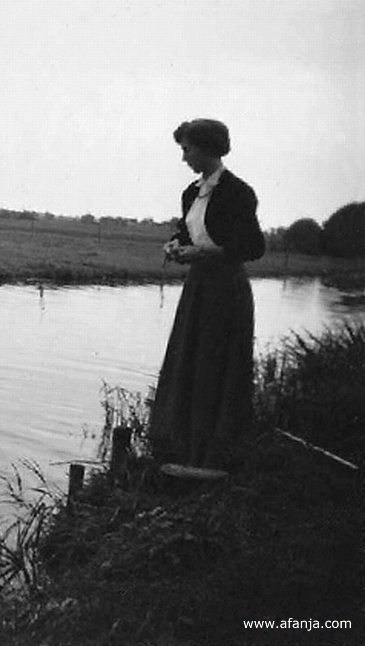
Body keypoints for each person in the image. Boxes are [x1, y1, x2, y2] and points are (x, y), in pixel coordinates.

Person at [149, 118, 266, 470]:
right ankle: (181, 448)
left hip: (226, 290)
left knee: (214, 367)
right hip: (198, 287)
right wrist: (175, 244)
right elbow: (186, 232)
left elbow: (253, 247)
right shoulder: (191, 192)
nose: (184, 157)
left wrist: (203, 253)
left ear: (207, 148)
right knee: (189, 362)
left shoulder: (238, 192)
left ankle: (212, 455)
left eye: (187, 149)